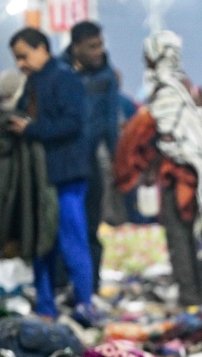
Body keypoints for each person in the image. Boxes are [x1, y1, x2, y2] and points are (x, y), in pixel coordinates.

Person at [7, 28, 98, 326]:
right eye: (16, 58)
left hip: (67, 175)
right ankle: (46, 307)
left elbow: (72, 123)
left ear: (42, 48)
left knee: (72, 241)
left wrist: (31, 129)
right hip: (41, 179)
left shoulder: (64, 77)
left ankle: (84, 303)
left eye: (24, 55)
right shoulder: (34, 80)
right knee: (41, 243)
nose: (20, 63)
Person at [140, 30, 202, 307]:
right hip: (192, 172)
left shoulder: (166, 90)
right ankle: (196, 292)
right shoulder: (184, 86)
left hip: (179, 174)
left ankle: (189, 295)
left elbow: (170, 135)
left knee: (179, 237)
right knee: (190, 238)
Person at [63, 21, 118, 288]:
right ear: (76, 48)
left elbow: (110, 124)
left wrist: (117, 162)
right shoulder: (60, 72)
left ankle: (91, 287)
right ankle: (65, 284)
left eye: (100, 45)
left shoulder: (106, 76)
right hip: (62, 163)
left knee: (91, 225)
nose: (99, 51)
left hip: (89, 162)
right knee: (63, 227)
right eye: (92, 46)